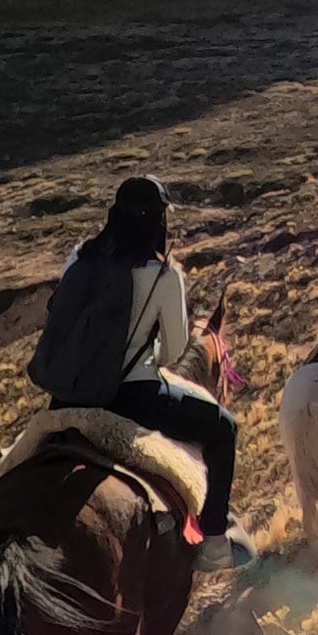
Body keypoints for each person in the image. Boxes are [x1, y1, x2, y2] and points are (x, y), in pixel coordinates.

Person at [59, 176, 248, 573]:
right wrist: (148, 349)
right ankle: (214, 539)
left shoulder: (79, 258)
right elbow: (177, 351)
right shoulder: (163, 274)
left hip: (69, 396)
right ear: (159, 221)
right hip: (135, 398)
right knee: (224, 428)